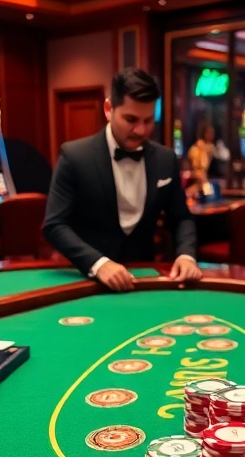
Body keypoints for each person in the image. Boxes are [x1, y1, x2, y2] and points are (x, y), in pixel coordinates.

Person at [43, 68, 202, 291]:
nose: (141, 130)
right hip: (89, 280)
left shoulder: (166, 159)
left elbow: (182, 218)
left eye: (148, 120)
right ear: (109, 109)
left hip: (144, 279)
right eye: (131, 119)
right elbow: (54, 225)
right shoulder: (74, 157)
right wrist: (99, 264)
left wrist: (186, 255)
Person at [186, 124, 216, 197]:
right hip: (199, 178)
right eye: (210, 133)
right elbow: (199, 169)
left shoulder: (210, 147)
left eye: (212, 133)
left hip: (203, 179)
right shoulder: (198, 149)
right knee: (208, 195)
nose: (212, 135)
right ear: (205, 134)